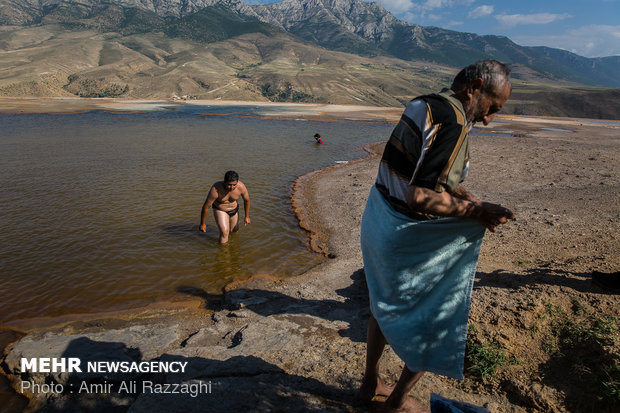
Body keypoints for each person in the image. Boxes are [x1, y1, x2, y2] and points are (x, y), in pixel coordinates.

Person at [358, 60, 515, 412]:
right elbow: (420, 196)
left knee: (381, 307)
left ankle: (369, 382)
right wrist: (480, 212)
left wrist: (462, 194)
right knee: (435, 321)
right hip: (402, 232)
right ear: (474, 88)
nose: (489, 119)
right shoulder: (455, 123)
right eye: (492, 108)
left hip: (377, 218)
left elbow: (422, 173)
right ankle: (397, 401)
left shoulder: (424, 103)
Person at [199, 170, 251, 244]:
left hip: (234, 210)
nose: (231, 188)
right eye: (229, 185)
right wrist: (202, 224)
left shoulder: (241, 187)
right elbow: (206, 207)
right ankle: (224, 253)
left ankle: (234, 249)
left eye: (234, 185)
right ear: (224, 181)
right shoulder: (216, 189)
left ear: (237, 182)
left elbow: (247, 200)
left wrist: (247, 216)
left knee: (234, 231)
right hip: (220, 210)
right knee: (224, 232)